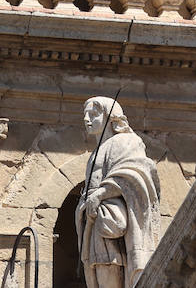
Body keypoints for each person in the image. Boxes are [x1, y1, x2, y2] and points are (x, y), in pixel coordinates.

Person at [76, 96, 161, 287]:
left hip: (112, 223)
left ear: (110, 116)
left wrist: (101, 193)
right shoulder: (95, 152)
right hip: (94, 220)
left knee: (111, 265)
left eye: (93, 114)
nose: (86, 119)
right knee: (99, 267)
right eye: (85, 115)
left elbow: (135, 172)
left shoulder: (126, 141)